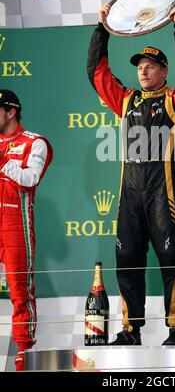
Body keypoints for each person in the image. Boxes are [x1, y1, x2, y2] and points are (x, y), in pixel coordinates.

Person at [87, 2, 175, 345]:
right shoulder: (126, 101)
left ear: (164, 72)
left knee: (171, 259)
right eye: (140, 66)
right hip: (129, 195)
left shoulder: (174, 102)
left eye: (150, 66)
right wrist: (101, 29)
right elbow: (97, 73)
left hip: (162, 194)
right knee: (126, 260)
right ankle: (130, 329)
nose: (143, 71)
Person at [0, 90, 53, 370]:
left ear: (10, 112)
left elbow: (31, 179)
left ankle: (23, 349)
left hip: (14, 224)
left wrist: (2, 160)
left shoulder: (35, 142)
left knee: (20, 289)